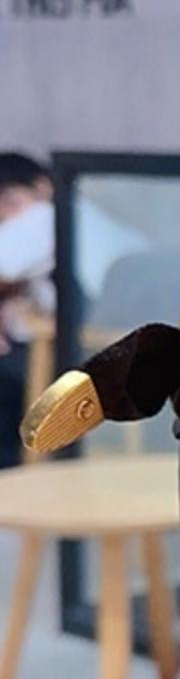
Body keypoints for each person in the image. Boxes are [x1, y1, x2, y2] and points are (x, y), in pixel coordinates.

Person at [0, 152, 54, 467]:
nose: (6, 216)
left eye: (10, 201)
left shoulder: (45, 215)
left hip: (75, 353)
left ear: (43, 187)